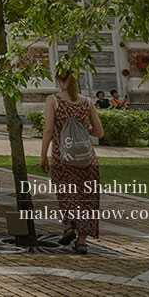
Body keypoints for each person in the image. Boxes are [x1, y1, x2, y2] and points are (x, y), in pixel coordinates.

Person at [41, 69, 104, 254]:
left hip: (63, 158)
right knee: (86, 199)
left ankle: (69, 226)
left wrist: (43, 155)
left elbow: (48, 130)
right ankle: (82, 241)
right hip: (87, 159)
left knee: (67, 195)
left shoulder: (53, 101)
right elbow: (100, 132)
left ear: (59, 81)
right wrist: (82, 130)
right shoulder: (86, 102)